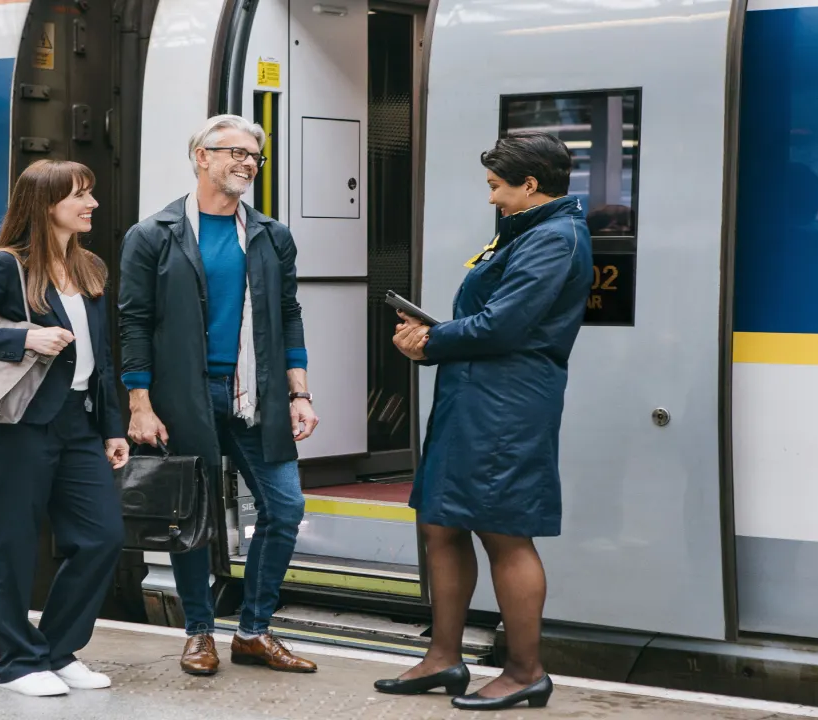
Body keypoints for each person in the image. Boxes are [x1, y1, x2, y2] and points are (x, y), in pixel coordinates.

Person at [374, 131, 592, 710]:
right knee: (441, 525)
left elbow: (506, 326)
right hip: (472, 398)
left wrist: (431, 340)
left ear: (530, 185)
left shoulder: (555, 238)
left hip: (508, 404)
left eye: (497, 187)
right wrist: (434, 337)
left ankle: (526, 672)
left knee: (503, 530)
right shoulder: (523, 234)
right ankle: (443, 658)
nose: (491, 198)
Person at [117, 114, 320, 676]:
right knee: (190, 517)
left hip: (254, 393)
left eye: (254, 155)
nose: (246, 163)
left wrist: (299, 389)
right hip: (184, 394)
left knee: (286, 508)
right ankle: (199, 631)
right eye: (234, 152)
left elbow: (288, 314)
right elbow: (133, 322)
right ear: (200, 157)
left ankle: (253, 630)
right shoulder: (153, 234)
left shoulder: (269, 234)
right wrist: (140, 401)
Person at [0, 159, 129, 698]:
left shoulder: (89, 268)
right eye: (80, 197)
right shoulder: (6, 266)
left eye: (90, 194)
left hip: (79, 422)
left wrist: (112, 425)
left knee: (101, 537)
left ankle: (59, 650)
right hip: (18, 426)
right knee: (15, 544)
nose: (91, 205)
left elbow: (103, 356)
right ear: (45, 206)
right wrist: (23, 338)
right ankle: (18, 662)